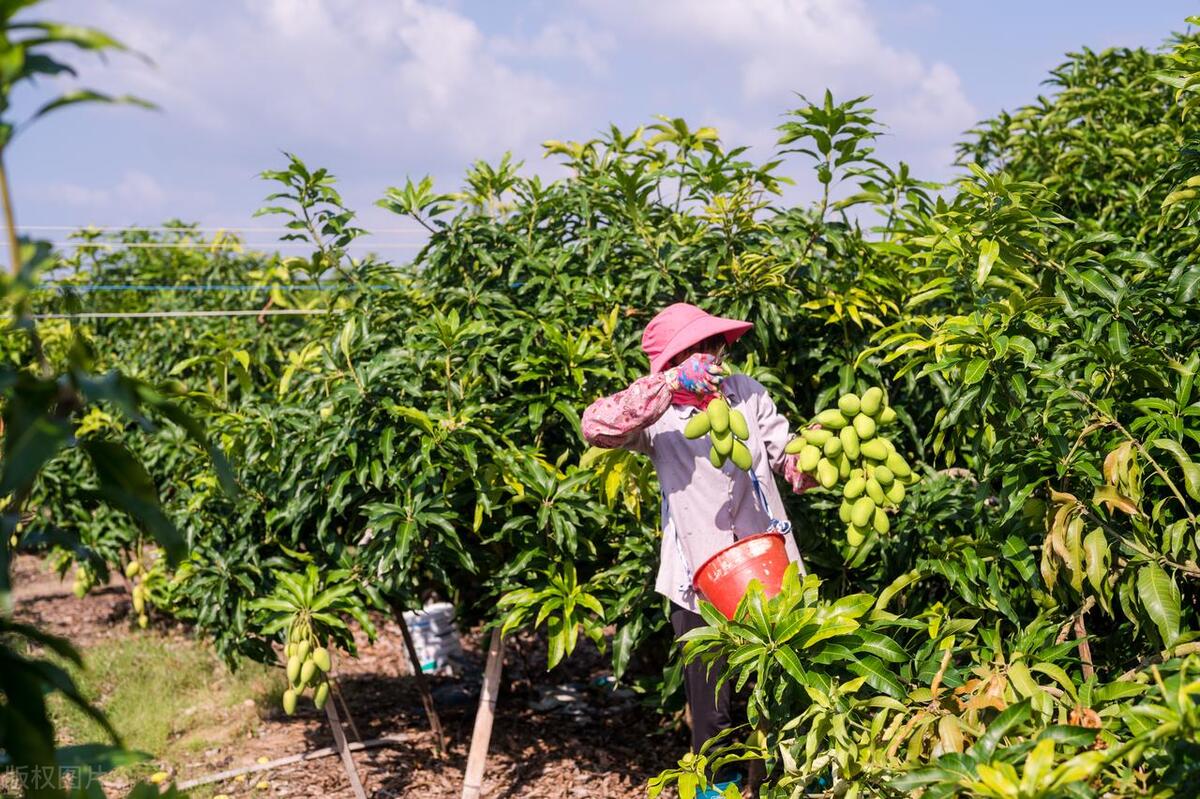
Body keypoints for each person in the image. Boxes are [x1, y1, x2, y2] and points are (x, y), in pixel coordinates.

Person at [581, 302, 814, 796]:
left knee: (784, 684)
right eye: (696, 350)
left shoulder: (745, 393)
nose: (711, 356)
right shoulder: (658, 416)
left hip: (768, 565)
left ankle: (789, 781)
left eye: (712, 346)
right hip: (699, 579)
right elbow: (597, 426)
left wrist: (813, 460)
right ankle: (719, 787)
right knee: (713, 706)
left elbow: (785, 455)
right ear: (675, 359)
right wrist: (667, 388)